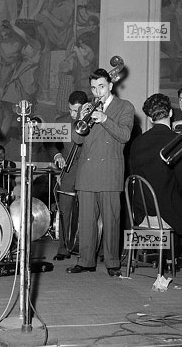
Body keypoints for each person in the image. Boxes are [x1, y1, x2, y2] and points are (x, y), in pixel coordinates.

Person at [66, 69, 134, 277]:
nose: (97, 92)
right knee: (85, 221)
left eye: (101, 87)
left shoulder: (125, 107)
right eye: (94, 88)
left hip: (110, 172)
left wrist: (104, 118)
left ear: (110, 86)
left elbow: (124, 136)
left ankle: (112, 262)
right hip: (86, 172)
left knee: (111, 220)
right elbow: (77, 140)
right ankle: (86, 261)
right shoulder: (87, 107)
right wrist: (81, 116)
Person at [129, 93, 182, 265]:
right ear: (170, 113)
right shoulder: (177, 140)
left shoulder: (137, 142)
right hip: (169, 215)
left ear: (149, 117)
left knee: (171, 194)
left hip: (142, 212)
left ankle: (169, 258)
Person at [51, 90, 88, 261]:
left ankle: (93, 249)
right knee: (65, 208)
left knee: (90, 210)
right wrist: (57, 155)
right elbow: (50, 143)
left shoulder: (93, 122)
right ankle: (63, 248)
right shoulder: (62, 122)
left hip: (88, 169)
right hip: (69, 169)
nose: (73, 114)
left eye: (77, 111)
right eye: (71, 110)